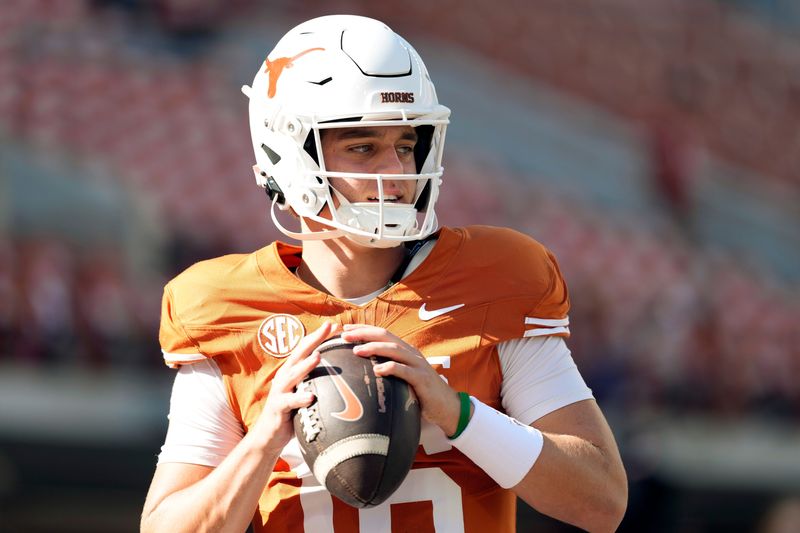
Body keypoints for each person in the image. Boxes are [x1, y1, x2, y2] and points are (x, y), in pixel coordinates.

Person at [140, 14, 627, 533]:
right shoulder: (224, 307)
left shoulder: (493, 280)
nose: (396, 172)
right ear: (288, 154)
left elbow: (601, 502)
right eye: (363, 147)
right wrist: (263, 441)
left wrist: (458, 414)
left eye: (405, 145)